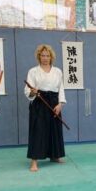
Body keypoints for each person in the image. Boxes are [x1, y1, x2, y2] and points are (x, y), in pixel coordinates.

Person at [25, 44, 66, 172]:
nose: (45, 58)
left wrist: (60, 104)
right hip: (39, 101)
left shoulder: (58, 71)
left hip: (54, 101)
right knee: (38, 131)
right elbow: (28, 90)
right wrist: (33, 92)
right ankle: (34, 161)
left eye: (47, 56)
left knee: (54, 129)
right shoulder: (33, 71)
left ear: (51, 57)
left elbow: (61, 88)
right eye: (42, 55)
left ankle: (55, 155)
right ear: (39, 57)